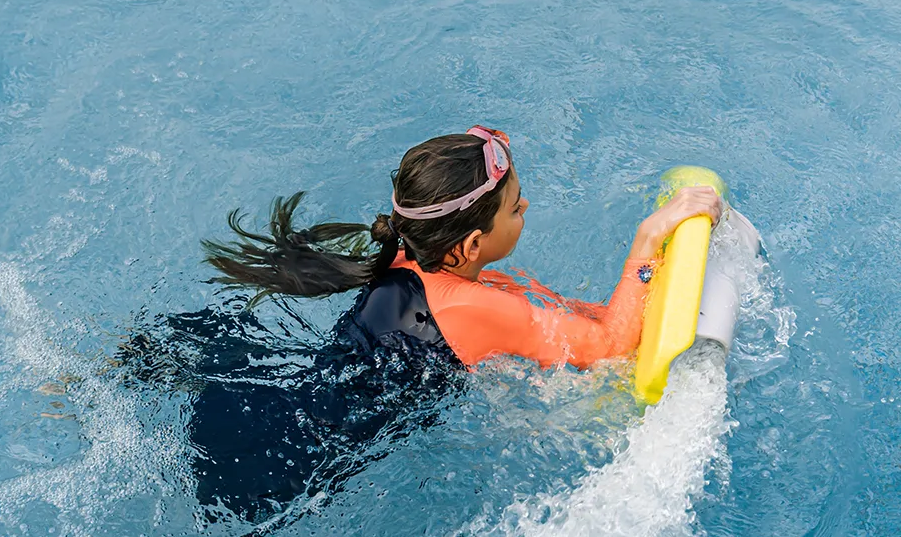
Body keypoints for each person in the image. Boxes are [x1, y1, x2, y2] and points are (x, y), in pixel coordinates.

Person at [202, 126, 722, 372]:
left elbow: (575, 321)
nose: (527, 208)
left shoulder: (412, 260)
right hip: (291, 464)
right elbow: (609, 349)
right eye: (516, 208)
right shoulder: (472, 304)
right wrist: (647, 244)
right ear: (472, 244)